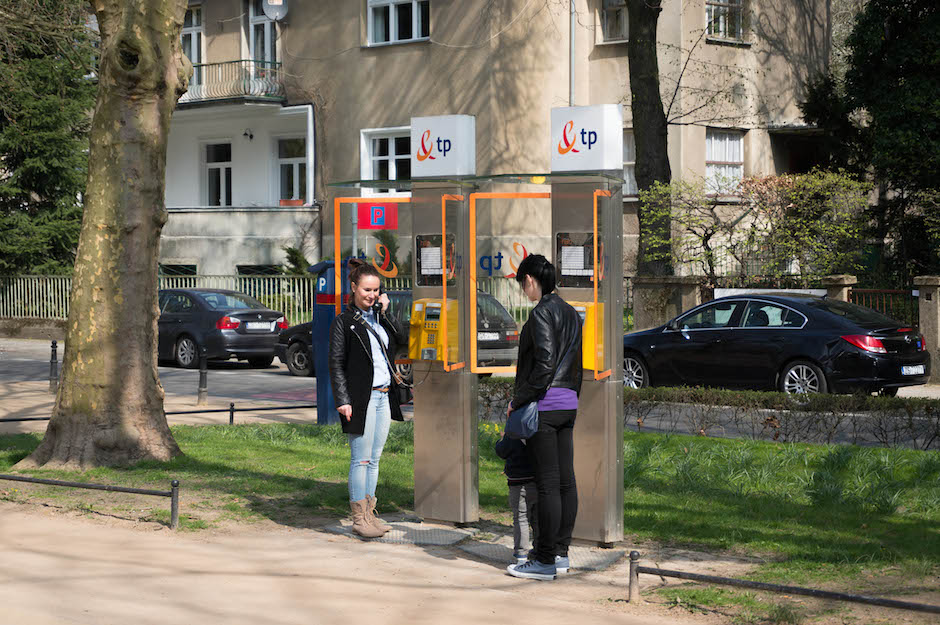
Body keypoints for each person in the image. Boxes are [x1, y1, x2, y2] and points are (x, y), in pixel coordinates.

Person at [506, 254, 582, 581]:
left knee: (548, 485)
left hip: (545, 406)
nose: (524, 290)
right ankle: (561, 553)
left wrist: (517, 399)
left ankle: (544, 559)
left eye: (524, 283)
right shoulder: (569, 311)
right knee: (566, 481)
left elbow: (545, 364)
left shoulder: (541, 313)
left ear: (532, 280)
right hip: (569, 403)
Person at [328, 258, 407, 538]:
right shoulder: (344, 322)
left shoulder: (379, 318)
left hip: (384, 396)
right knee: (360, 459)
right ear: (353, 288)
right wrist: (342, 399)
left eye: (376, 290)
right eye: (366, 290)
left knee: (374, 459)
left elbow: (403, 339)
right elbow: (336, 363)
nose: (372, 295)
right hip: (361, 398)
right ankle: (358, 518)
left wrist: (387, 312)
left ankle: (370, 514)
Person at [494, 432, 538, 564]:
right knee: (537, 518)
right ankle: (539, 550)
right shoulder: (539, 428)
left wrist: (500, 440)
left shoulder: (513, 430)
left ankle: (521, 554)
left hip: (516, 481)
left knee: (520, 518)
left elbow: (502, 451)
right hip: (536, 480)